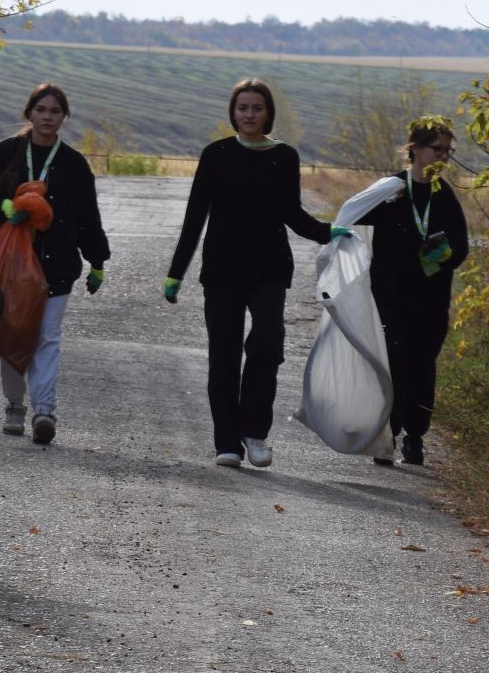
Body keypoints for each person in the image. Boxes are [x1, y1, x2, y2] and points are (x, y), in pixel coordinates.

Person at [165, 79, 344, 469]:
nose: (249, 115)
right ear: (233, 112)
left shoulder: (285, 156)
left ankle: (254, 432)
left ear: (268, 113)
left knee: (267, 345)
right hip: (223, 269)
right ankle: (226, 442)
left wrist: (327, 232)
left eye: (256, 108)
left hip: (270, 267)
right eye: (242, 108)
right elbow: (196, 216)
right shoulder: (216, 155)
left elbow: (291, 213)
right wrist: (176, 272)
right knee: (224, 356)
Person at [0, 83, 111, 446]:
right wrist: (2, 205)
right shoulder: (4, 155)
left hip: (56, 265)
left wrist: (97, 260)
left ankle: (44, 411)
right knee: (13, 332)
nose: (47, 117)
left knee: (47, 339)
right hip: (7, 266)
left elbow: (87, 216)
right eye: (41, 110)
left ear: (63, 117)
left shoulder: (73, 164)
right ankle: (15, 405)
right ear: (29, 112)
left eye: (54, 111)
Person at [350, 115, 469, 466]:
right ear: (414, 149)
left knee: (421, 366)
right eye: (437, 150)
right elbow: (352, 215)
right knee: (393, 362)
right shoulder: (391, 188)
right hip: (389, 295)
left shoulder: (444, 197)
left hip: (431, 301)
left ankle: (415, 438)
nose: (443, 158)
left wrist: (437, 253)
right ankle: (386, 434)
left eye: (448, 152)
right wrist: (382, 203)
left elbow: (461, 248)